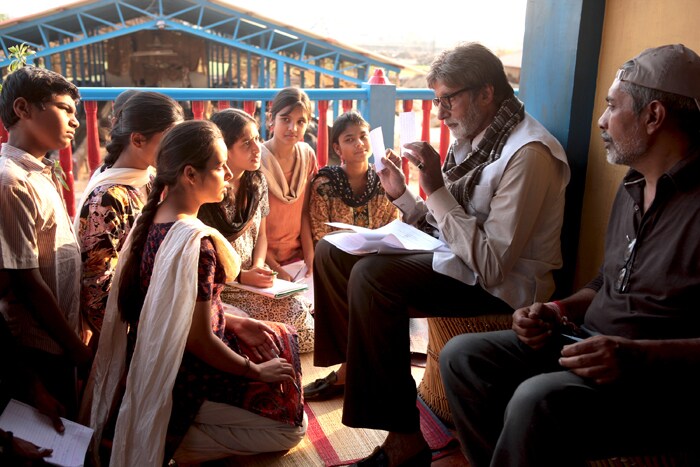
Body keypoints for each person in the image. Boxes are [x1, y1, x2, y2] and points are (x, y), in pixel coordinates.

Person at [310, 42, 571, 466]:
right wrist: (406, 197)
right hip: (460, 261)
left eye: (448, 99)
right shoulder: (476, 140)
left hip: (503, 287)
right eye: (436, 100)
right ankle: (356, 369)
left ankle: (403, 441)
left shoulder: (528, 154)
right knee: (331, 252)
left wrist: (435, 189)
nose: (440, 112)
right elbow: (445, 225)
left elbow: (491, 264)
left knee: (373, 278)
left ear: (486, 93)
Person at [440, 43, 700, 467]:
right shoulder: (634, 185)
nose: (601, 120)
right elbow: (607, 282)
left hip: (658, 381)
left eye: (613, 106)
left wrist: (636, 355)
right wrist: (557, 308)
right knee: (464, 358)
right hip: (589, 344)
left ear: (653, 116)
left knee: (535, 399)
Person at [81, 120, 306, 466]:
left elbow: (177, 310)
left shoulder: (154, 218)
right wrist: (254, 371)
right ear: (189, 174)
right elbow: (199, 341)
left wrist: (231, 322)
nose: (228, 174)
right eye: (219, 166)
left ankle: (178, 422)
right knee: (292, 429)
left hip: (183, 350)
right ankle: (173, 437)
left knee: (281, 338)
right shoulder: (194, 244)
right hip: (189, 370)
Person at [0, 66, 92, 419]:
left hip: (62, 341)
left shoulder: (40, 172)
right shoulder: (11, 182)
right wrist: (75, 349)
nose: (75, 122)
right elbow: (26, 280)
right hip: (39, 346)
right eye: (64, 109)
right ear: (23, 109)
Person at [199, 108, 315, 353]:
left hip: (252, 279)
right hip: (223, 285)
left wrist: (258, 265)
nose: (256, 149)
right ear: (224, 149)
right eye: (246, 143)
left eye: (257, 140)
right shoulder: (209, 190)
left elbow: (261, 235)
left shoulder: (256, 181)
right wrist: (240, 276)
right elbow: (202, 260)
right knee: (297, 322)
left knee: (304, 308)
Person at [75, 91, 184, 344]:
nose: (174, 150)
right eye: (168, 141)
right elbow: (97, 291)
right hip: (130, 326)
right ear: (137, 140)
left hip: (155, 309)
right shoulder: (108, 198)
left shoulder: (150, 179)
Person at [308, 110, 400, 245]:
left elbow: (394, 228)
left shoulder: (383, 181)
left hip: (380, 259)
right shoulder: (324, 185)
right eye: (349, 139)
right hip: (336, 258)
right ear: (337, 148)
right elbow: (320, 237)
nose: (359, 143)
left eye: (363, 136)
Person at [259, 87, 317, 282]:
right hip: (261, 259)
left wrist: (310, 258)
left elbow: (305, 212)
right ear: (271, 119)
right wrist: (275, 269)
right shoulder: (256, 160)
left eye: (300, 122)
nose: (293, 128)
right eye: (285, 119)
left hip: (297, 258)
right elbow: (253, 226)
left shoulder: (307, 156)